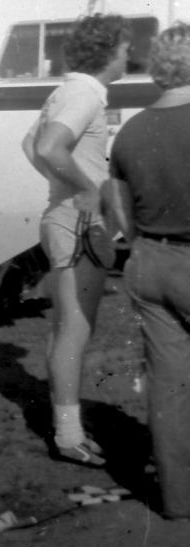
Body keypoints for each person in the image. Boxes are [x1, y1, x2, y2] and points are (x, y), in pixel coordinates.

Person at [21, 14, 130, 467]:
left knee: (64, 327)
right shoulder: (84, 92)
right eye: (125, 47)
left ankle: (65, 425)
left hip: (63, 218)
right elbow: (47, 148)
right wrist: (85, 190)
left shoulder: (67, 90)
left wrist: (66, 188)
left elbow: (31, 145)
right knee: (75, 329)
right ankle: (68, 435)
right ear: (108, 52)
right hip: (78, 224)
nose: (130, 54)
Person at [107, 23, 190, 520]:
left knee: (169, 386)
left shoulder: (130, 132)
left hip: (150, 263)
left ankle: (179, 501)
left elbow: (121, 214)